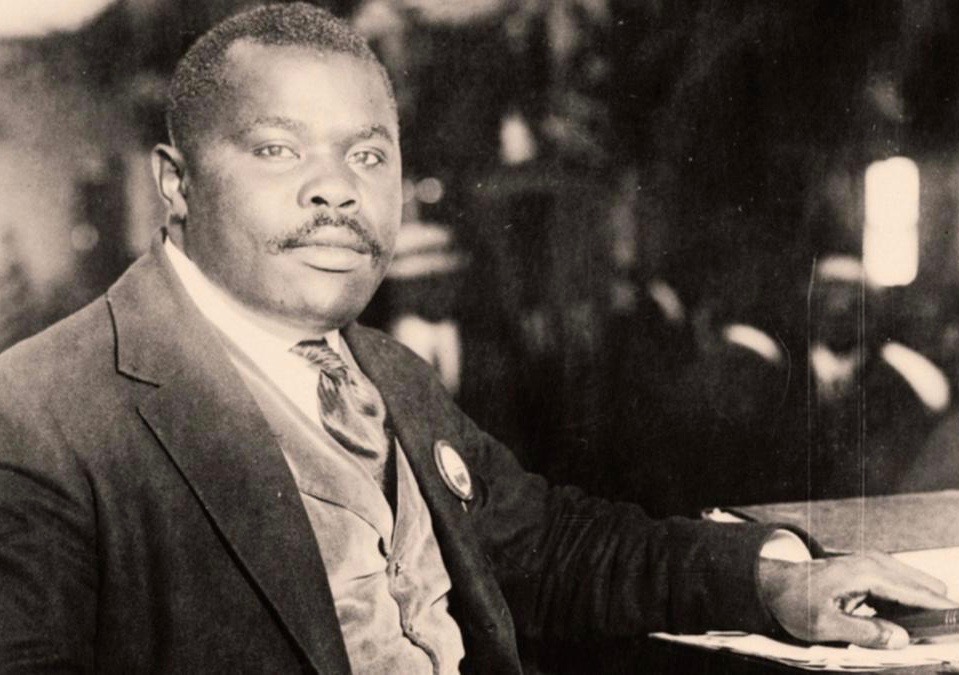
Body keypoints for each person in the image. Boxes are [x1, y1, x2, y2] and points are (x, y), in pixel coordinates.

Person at [0, 4, 953, 673]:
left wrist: (773, 583)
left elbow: (548, 548)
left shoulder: (388, 373)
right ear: (176, 185)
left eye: (367, 154)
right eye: (278, 149)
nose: (336, 189)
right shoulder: (40, 417)